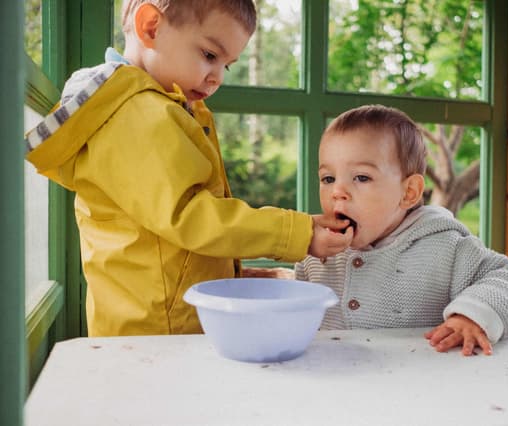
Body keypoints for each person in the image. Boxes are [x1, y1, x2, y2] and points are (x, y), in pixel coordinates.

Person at [24, 0, 352, 337]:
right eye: (210, 55)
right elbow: (191, 217)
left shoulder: (153, 107)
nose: (218, 77)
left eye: (228, 64)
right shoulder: (138, 115)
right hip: (160, 329)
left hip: (154, 319)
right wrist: (298, 232)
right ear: (151, 26)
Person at [295, 105, 508, 356]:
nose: (337, 192)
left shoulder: (444, 246)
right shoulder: (315, 253)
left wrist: (472, 317)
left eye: (361, 178)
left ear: (408, 192)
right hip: (334, 382)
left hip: (422, 382)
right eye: (328, 179)